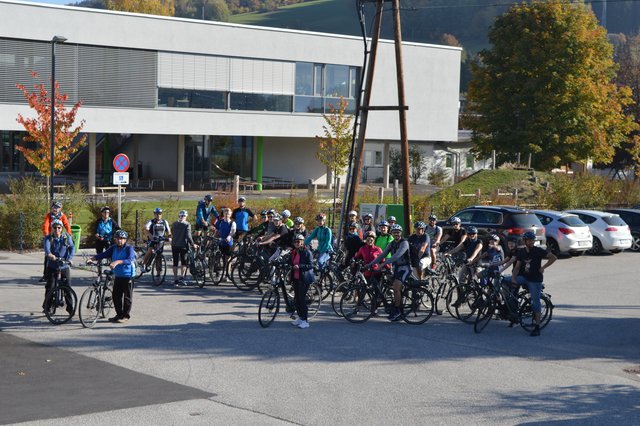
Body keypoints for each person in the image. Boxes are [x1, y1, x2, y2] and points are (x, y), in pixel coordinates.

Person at [512, 231, 556, 336]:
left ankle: (537, 327)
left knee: (536, 303)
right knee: (504, 281)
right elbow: (517, 267)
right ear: (525, 241)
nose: (531, 242)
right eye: (529, 240)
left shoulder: (538, 251)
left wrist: (543, 268)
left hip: (535, 280)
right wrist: (513, 278)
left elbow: (553, 257)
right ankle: (511, 307)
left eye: (532, 240)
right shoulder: (522, 252)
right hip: (524, 277)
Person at [366, 224, 411, 321]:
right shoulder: (392, 244)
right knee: (389, 284)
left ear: (401, 233)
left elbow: (397, 256)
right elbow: (382, 255)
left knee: (396, 286)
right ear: (392, 233)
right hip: (396, 268)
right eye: (394, 232)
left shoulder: (404, 243)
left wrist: (382, 265)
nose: (396, 234)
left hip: (405, 268)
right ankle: (395, 304)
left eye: (398, 232)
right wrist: (370, 264)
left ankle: (398, 310)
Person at [91, 229, 136, 323]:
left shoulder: (129, 248)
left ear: (125, 240)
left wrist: (117, 262)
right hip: (118, 275)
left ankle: (125, 316)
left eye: (122, 239)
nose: (120, 240)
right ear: (115, 239)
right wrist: (93, 258)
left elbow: (130, 259)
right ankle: (119, 315)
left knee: (127, 297)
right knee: (116, 296)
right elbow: (104, 254)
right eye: (118, 238)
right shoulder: (114, 248)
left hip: (128, 275)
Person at [445, 226, 483, 307]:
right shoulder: (467, 242)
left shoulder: (479, 242)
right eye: (470, 234)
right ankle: (461, 298)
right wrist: (449, 253)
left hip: (476, 264)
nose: (472, 235)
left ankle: (479, 299)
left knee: (475, 281)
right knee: (461, 279)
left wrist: (471, 258)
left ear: (476, 234)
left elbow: (476, 251)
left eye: (473, 234)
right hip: (467, 263)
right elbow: (458, 248)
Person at [43, 219, 75, 314]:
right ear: (52, 228)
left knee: (67, 287)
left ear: (61, 229)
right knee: (50, 286)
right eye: (54, 227)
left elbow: (72, 247)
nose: (57, 229)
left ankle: (70, 308)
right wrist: (50, 254)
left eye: (59, 227)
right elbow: (47, 247)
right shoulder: (49, 238)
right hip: (53, 265)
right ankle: (47, 307)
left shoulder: (66, 237)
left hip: (64, 265)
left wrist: (69, 258)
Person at [40, 201, 72, 282]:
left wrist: (69, 234)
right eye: (54, 207)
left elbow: (67, 225)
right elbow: (45, 225)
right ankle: (45, 275)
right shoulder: (49, 215)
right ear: (52, 208)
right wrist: (47, 234)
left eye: (58, 207)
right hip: (51, 237)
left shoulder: (62, 215)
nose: (56, 209)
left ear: (60, 209)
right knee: (48, 256)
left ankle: (63, 272)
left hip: (60, 236)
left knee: (62, 253)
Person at [290, 234, 316, 329]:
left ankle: (305, 320)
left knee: (301, 299)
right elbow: (291, 262)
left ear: (302, 242)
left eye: (298, 241)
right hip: (296, 278)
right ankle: (300, 318)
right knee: (297, 299)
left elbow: (310, 265)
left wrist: (299, 266)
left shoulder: (307, 252)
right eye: (295, 241)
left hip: (304, 279)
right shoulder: (294, 252)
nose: (296, 243)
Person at [171, 210, 197, 286]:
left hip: (174, 245)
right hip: (183, 245)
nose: (183, 217)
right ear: (186, 216)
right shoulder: (187, 224)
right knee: (184, 262)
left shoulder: (174, 224)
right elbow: (188, 236)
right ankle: (182, 277)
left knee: (175, 263)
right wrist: (193, 244)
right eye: (183, 216)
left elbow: (172, 232)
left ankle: (175, 279)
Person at [215, 207, 236, 282]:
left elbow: (232, 232)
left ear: (230, 215)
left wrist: (229, 237)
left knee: (228, 259)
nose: (227, 215)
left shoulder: (232, 223)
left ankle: (227, 275)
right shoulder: (220, 222)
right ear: (223, 214)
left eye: (228, 214)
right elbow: (216, 229)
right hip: (220, 242)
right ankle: (218, 273)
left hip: (228, 243)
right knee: (219, 258)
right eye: (225, 213)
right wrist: (215, 235)